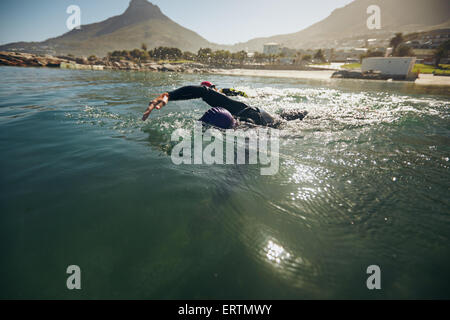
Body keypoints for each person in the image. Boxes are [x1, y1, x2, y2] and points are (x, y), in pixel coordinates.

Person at [142, 85, 307, 129]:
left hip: (286, 122)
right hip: (270, 113)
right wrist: (168, 95)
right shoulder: (235, 108)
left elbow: (239, 172)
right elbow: (204, 92)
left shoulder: (252, 134)